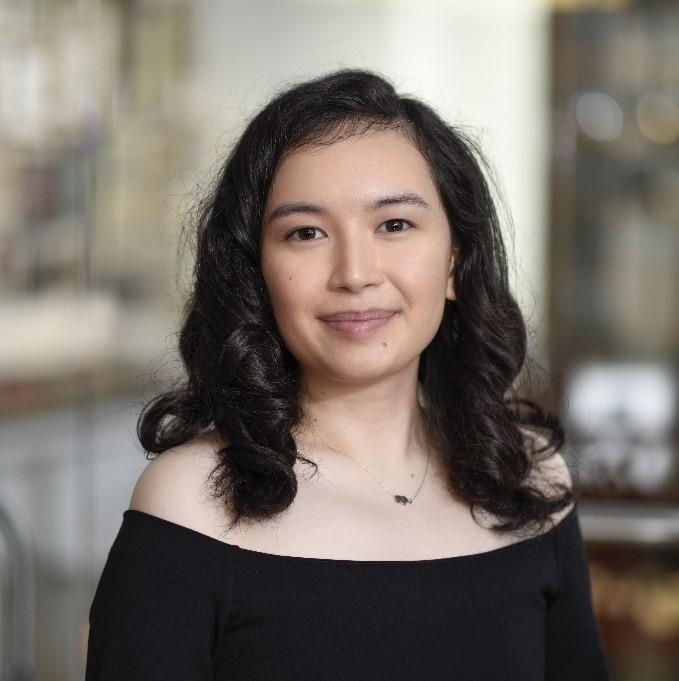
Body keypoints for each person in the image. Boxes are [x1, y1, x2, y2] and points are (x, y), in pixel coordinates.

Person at [85, 68, 611, 680]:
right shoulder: (192, 502)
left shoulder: (530, 481)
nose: (355, 273)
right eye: (305, 233)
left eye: (394, 224)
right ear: (257, 272)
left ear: (453, 261)